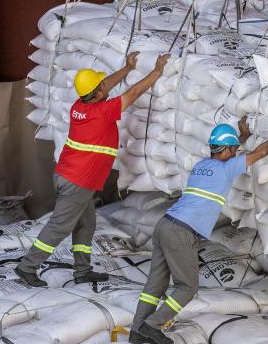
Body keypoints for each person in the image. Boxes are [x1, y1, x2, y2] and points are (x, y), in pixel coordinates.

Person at [130, 114, 268, 344]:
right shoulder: (226, 169)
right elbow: (261, 152)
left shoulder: (202, 166)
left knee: (154, 285)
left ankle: (137, 329)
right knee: (188, 287)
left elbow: (230, 154)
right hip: (182, 232)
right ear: (228, 150)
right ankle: (152, 325)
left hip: (165, 224)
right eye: (234, 148)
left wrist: (242, 137)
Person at [15, 52, 169, 287]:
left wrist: (127, 68)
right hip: (77, 181)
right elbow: (134, 93)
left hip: (72, 176)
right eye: (101, 87)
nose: (105, 87)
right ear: (98, 95)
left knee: (86, 224)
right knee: (60, 225)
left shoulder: (80, 105)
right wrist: (157, 71)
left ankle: (82, 271)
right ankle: (27, 267)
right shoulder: (102, 112)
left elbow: (104, 85)